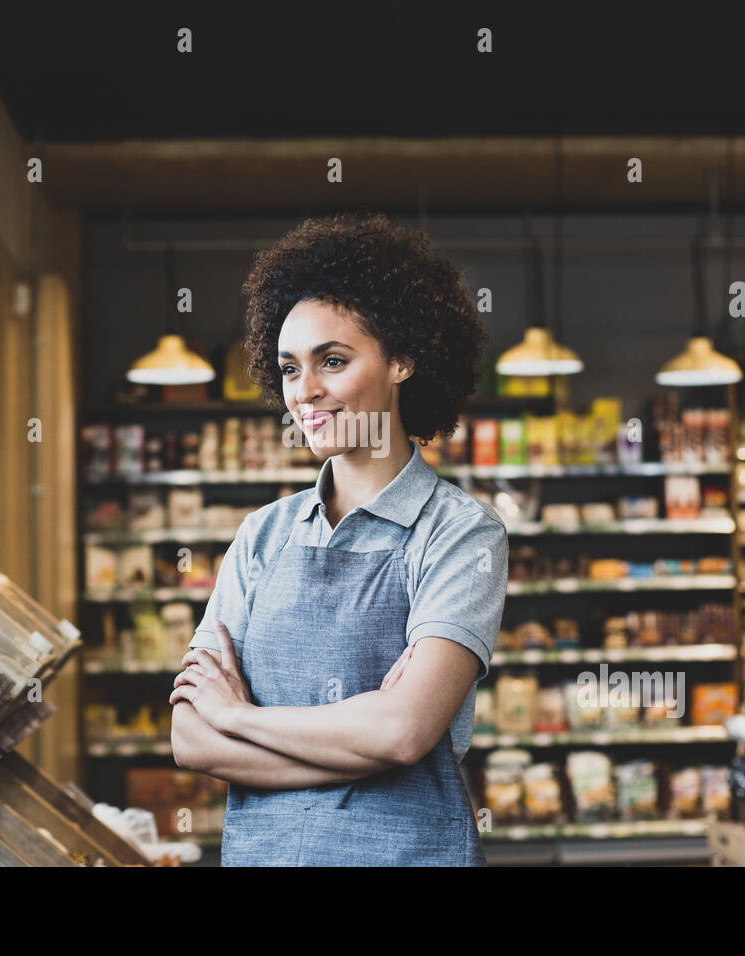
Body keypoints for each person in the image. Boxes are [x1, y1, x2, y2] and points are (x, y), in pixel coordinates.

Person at [169, 211, 508, 866]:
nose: (307, 392)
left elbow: (405, 731)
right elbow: (189, 737)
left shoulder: (458, 534)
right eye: (289, 368)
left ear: (404, 359)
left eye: (333, 361)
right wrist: (364, 741)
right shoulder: (262, 535)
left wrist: (239, 719)